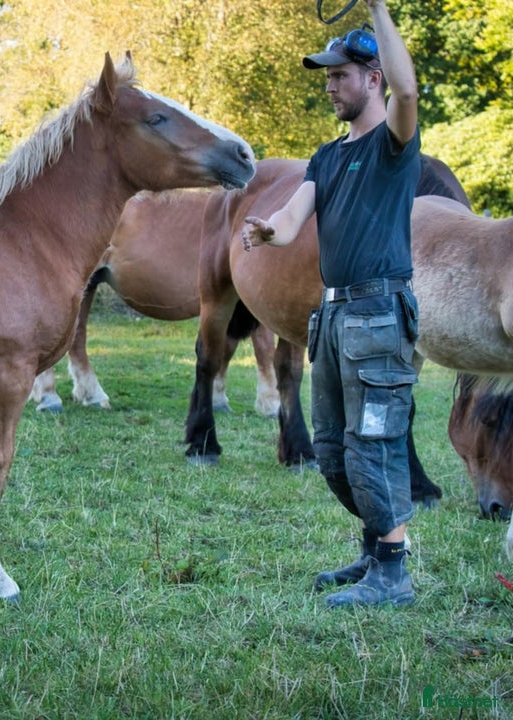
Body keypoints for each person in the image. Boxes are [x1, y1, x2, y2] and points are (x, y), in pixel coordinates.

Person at [241, 0, 420, 607]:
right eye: (326, 77)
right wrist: (268, 230)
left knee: (372, 444)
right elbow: (293, 222)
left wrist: (377, 8)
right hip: (335, 317)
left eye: (340, 75)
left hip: (378, 315)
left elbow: (409, 87)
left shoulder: (392, 147)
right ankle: (375, 551)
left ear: (372, 79)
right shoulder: (327, 156)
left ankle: (394, 575)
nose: (330, 86)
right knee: (333, 452)